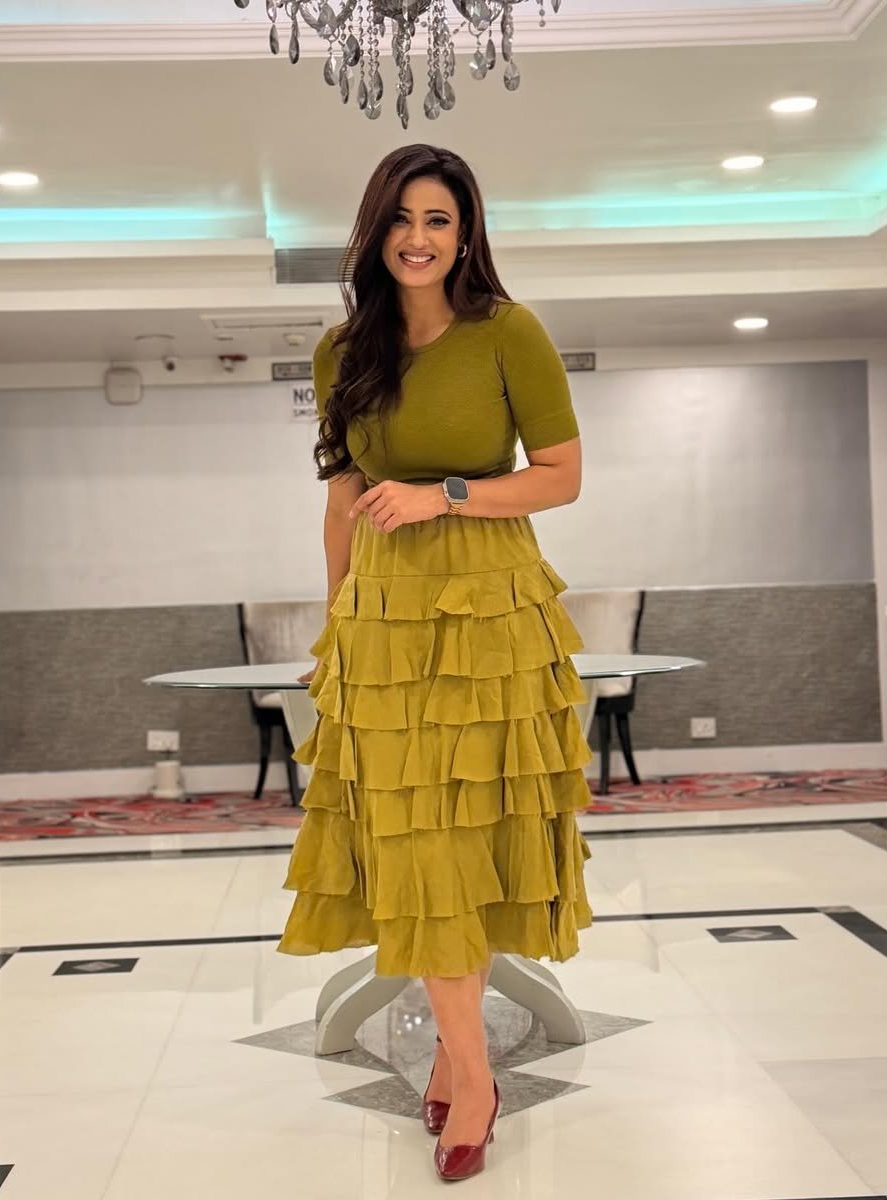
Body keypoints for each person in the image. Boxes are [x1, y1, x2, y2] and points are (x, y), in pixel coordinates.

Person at [276, 143, 593, 1182]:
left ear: (465, 235)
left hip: (490, 604)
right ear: (375, 231)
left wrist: (444, 495)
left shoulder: (509, 330)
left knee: (469, 836)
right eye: (403, 218)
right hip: (384, 614)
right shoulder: (341, 350)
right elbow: (340, 503)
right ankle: (470, 1067)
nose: (418, 238)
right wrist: (337, 629)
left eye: (439, 219)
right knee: (418, 845)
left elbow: (561, 477)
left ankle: (469, 1074)